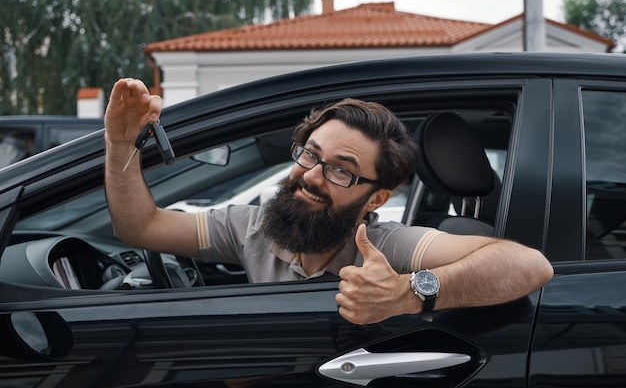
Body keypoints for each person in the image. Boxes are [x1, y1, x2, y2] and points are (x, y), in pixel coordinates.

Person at [104, 78, 554, 325]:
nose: (312, 176)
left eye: (341, 169)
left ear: (376, 196)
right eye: (310, 155)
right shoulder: (252, 227)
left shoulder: (386, 246)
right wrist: (120, 145)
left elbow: (530, 266)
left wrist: (408, 293)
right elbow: (140, 227)